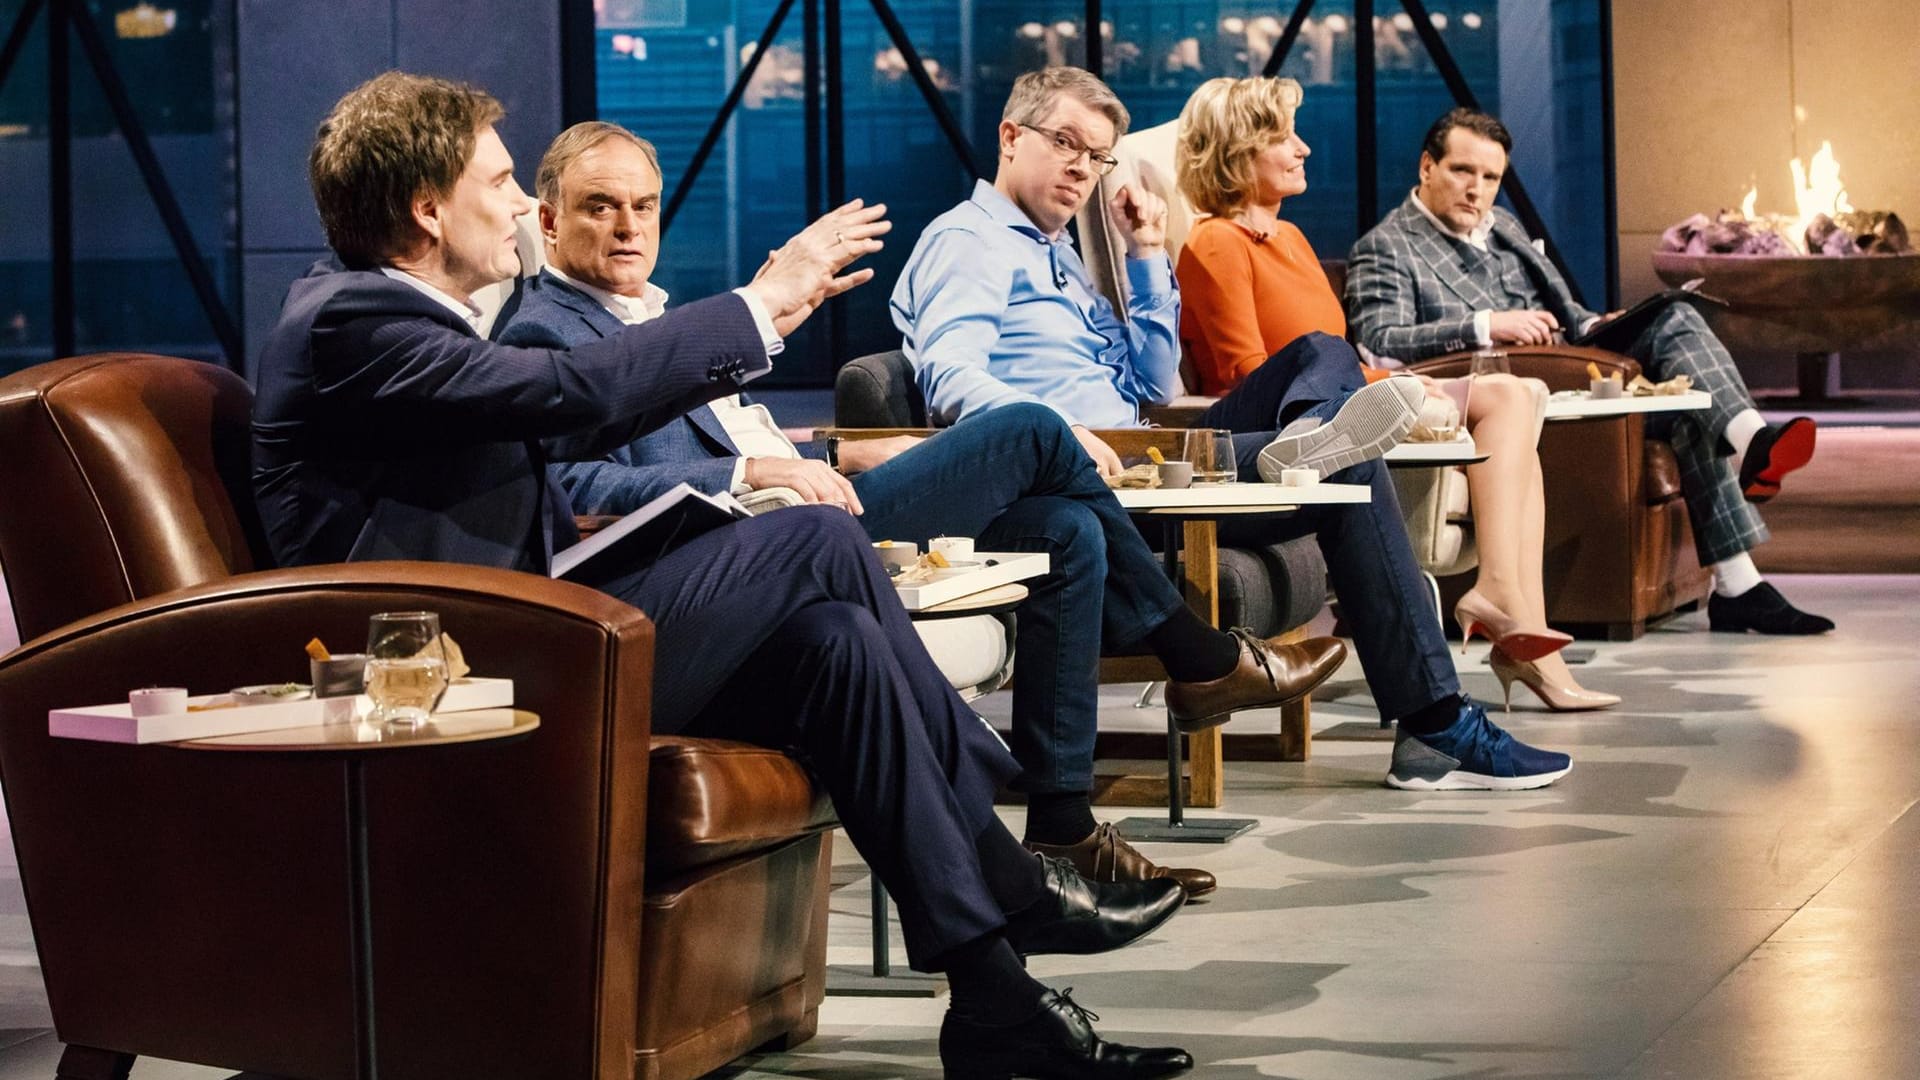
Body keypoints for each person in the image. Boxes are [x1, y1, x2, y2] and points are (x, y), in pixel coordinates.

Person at [253, 71, 1195, 1078]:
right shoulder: (354, 323)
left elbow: (567, 433)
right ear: (427, 207)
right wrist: (763, 300)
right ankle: (1007, 863)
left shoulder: (403, 321)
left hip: (530, 629)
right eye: (500, 183)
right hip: (468, 670)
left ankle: (996, 1002)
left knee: (835, 650)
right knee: (823, 540)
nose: (524, 205)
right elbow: (571, 399)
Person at [498, 119, 1349, 901]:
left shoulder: (655, 314)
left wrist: (833, 452)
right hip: (766, 551)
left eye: (642, 205)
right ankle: (1197, 657)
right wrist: (748, 471)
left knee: (1067, 532)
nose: (627, 227)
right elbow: (565, 489)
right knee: (1026, 429)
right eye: (599, 207)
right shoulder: (547, 333)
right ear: (547, 220)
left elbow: (719, 437)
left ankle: (1063, 826)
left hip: (809, 497)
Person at [892, 65, 1575, 791]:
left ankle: (1309, 439)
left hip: (1146, 447)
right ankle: (1437, 724)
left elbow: (1154, 385)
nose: (1082, 170)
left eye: (1097, 157)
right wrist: (1061, 430)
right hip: (1098, 476)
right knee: (1350, 460)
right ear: (1009, 136)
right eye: (1066, 144)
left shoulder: (1055, 250)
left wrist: (1147, 250)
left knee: (1321, 352)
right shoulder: (970, 240)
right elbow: (951, 379)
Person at [1172, 76, 1616, 712]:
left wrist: (1389, 378)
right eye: (1283, 138)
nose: (1303, 149)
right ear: (1238, 150)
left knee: (1522, 395)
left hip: (1346, 400)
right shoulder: (1216, 241)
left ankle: (1513, 612)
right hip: (1283, 422)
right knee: (1505, 397)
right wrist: (1389, 381)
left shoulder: (1292, 240)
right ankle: (1514, 625)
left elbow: (1341, 358)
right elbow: (1250, 371)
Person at [1346, 107, 1831, 636]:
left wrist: (1598, 322)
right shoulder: (1386, 245)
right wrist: (1487, 323)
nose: (1476, 190)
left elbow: (1564, 311)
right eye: (1463, 171)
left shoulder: (1502, 227)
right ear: (1426, 168)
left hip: (1571, 363)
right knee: (1676, 340)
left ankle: (1740, 578)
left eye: (1490, 178)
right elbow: (1380, 340)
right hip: (1502, 391)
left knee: (1676, 323)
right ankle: (1752, 449)